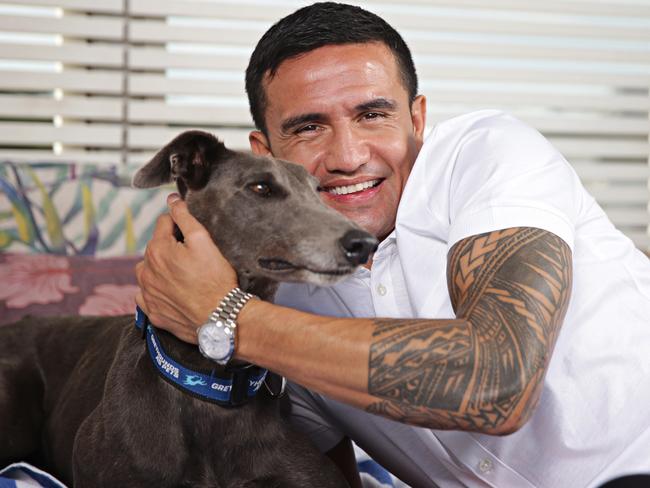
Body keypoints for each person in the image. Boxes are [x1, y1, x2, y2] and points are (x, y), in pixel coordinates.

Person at [135, 3, 650, 487]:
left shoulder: (487, 155)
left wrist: (222, 316)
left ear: (417, 119)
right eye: (309, 128)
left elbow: (497, 383)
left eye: (372, 115)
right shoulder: (288, 304)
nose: (348, 156)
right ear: (265, 152)